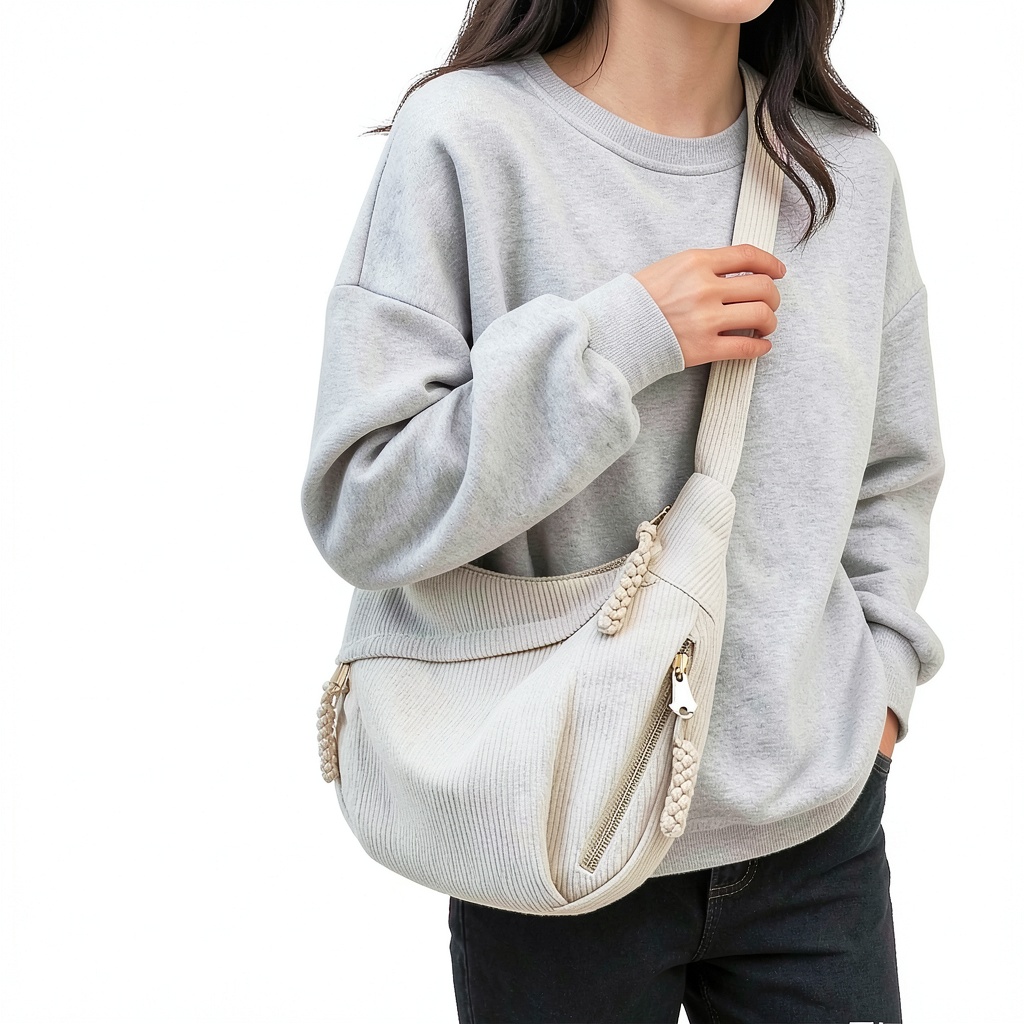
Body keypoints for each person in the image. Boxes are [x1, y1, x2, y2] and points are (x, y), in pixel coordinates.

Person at [299, 0, 945, 1020]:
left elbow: (891, 475)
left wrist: (881, 702)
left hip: (816, 839)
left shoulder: (846, 176)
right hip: (550, 829)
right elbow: (365, 504)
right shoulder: (469, 141)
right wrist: (624, 336)